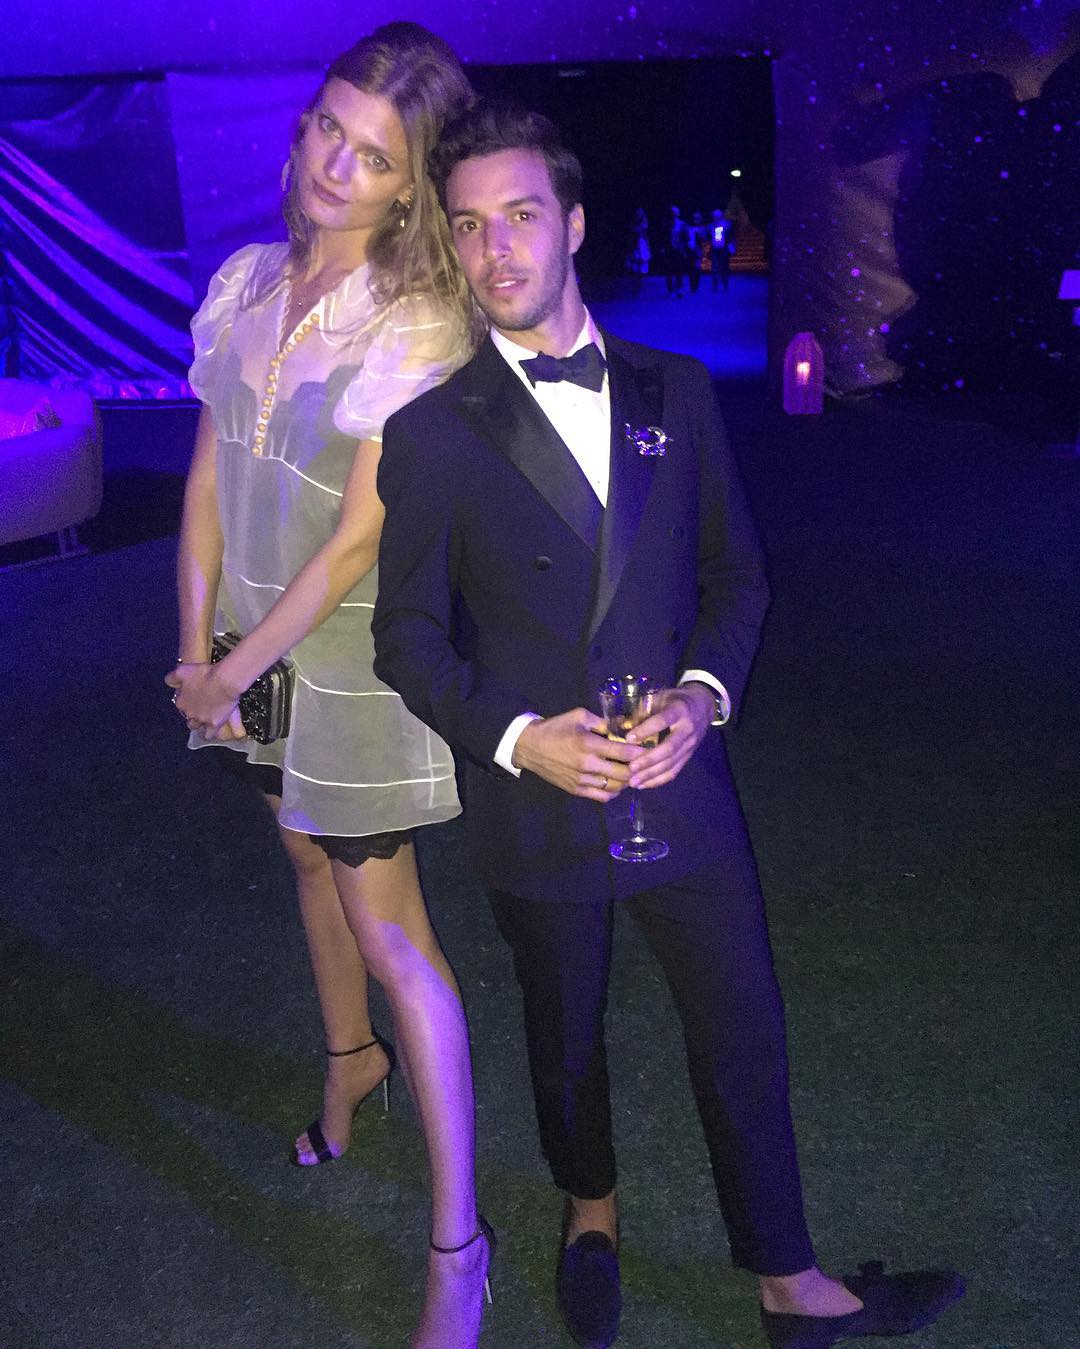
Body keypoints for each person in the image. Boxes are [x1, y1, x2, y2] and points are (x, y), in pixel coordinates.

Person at [372, 101, 965, 1349]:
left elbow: (737, 576)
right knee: (563, 1036)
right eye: (468, 226)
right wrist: (520, 736)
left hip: (683, 787)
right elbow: (406, 639)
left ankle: (789, 1276)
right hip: (537, 801)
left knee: (743, 1025)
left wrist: (704, 695)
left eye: (520, 215)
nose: (495, 250)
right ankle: (590, 1212)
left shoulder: (677, 391)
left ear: (575, 223)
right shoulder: (431, 432)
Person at [166, 24, 492, 1347]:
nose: (332, 166)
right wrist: (195, 649)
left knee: (394, 931)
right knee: (302, 856)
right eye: (325, 128)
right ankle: (350, 1063)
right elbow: (205, 482)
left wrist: (230, 671)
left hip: (348, 667)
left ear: (412, 186)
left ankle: (459, 1247)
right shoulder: (246, 281)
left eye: (373, 156)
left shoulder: (417, 323)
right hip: (245, 656)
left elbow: (359, 538)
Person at [623, 206, 650, 298]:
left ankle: (639, 290)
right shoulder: (632, 225)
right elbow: (630, 237)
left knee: (642, 270)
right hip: (634, 247)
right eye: (637, 212)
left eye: (640, 212)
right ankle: (634, 291)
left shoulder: (644, 224)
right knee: (634, 269)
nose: (639, 214)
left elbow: (645, 236)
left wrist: (648, 248)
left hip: (642, 246)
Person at [709, 206, 737, 292]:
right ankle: (715, 287)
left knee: (724, 268)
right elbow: (709, 237)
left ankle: (725, 286)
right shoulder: (711, 226)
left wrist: (733, 247)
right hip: (714, 250)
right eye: (714, 216)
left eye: (717, 215)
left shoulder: (727, 225)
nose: (715, 217)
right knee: (714, 268)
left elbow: (732, 237)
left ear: (720, 216)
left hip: (724, 250)